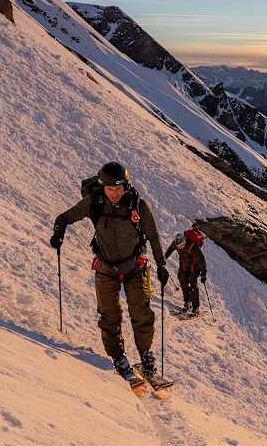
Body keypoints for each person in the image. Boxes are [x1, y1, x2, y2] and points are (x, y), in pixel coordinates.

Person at [49, 162, 169, 385]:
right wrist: (59, 233)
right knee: (109, 315)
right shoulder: (94, 203)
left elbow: (153, 235)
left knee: (142, 313)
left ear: (126, 186)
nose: (115, 193)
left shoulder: (138, 206)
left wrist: (161, 265)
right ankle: (118, 358)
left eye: (119, 188)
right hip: (105, 267)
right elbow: (64, 217)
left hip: (134, 266)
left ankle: (146, 358)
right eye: (110, 189)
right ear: (102, 187)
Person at [165, 224, 207, 316]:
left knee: (193, 285)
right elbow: (170, 249)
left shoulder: (193, 247)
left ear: (184, 242)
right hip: (184, 265)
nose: (178, 248)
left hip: (194, 267)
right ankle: (187, 302)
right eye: (178, 247)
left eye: (180, 246)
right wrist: (164, 259)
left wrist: (203, 274)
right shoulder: (176, 243)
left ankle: (196, 308)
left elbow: (202, 261)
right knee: (182, 280)